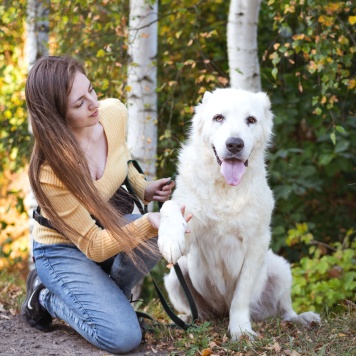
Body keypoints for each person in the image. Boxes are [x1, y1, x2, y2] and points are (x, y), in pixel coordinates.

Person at [21, 55, 191, 354]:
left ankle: (110, 300)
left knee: (155, 237)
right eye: (79, 103)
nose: (93, 103)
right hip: (63, 250)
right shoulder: (51, 172)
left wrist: (144, 188)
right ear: (57, 116)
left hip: (106, 229)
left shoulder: (113, 113)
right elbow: (94, 246)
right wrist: (149, 222)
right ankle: (45, 295)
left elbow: (121, 160)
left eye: (92, 90)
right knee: (123, 337)